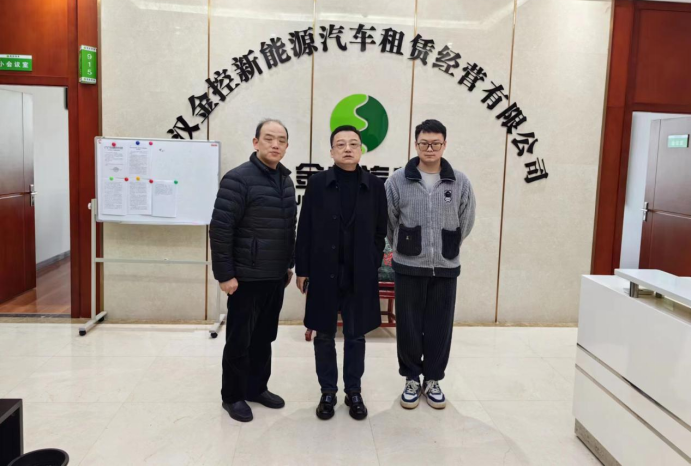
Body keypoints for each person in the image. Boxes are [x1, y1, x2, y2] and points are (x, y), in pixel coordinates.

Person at [295, 125, 388, 421]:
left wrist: (372, 260)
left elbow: (380, 231)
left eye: (353, 144)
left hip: (359, 273)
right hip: (324, 272)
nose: (347, 148)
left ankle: (353, 391)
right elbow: (305, 229)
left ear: (361, 149)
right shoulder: (317, 183)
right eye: (341, 144)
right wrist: (302, 269)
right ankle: (328, 391)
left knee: (355, 334)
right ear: (331, 151)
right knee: (323, 334)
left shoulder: (375, 186)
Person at [210, 119, 297, 423]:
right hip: (245, 278)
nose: (275, 144)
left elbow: (289, 228)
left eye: (281, 140)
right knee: (239, 340)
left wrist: (288, 265)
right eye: (269, 138)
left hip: (274, 277)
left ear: (286, 146)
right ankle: (232, 396)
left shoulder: (286, 181)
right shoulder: (238, 179)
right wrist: (225, 275)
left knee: (264, 338)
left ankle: (257, 388)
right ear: (255, 142)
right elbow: (220, 229)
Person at [385, 119, 476, 410]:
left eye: (436, 143)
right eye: (424, 143)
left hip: (446, 266)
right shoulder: (398, 180)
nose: (430, 148)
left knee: (440, 326)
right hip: (408, 265)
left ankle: (433, 379)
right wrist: (405, 244)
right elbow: (389, 222)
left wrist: (447, 245)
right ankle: (412, 378)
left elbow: (466, 220)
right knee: (408, 326)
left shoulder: (459, 181)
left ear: (444, 145)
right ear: (416, 145)